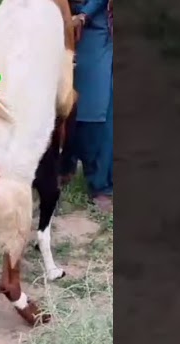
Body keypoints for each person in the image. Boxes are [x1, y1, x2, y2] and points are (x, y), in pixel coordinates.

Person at [60, 0, 113, 213]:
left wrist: (84, 15)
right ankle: (64, 164)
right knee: (58, 101)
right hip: (56, 18)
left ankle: (100, 182)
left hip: (94, 24)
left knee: (94, 105)